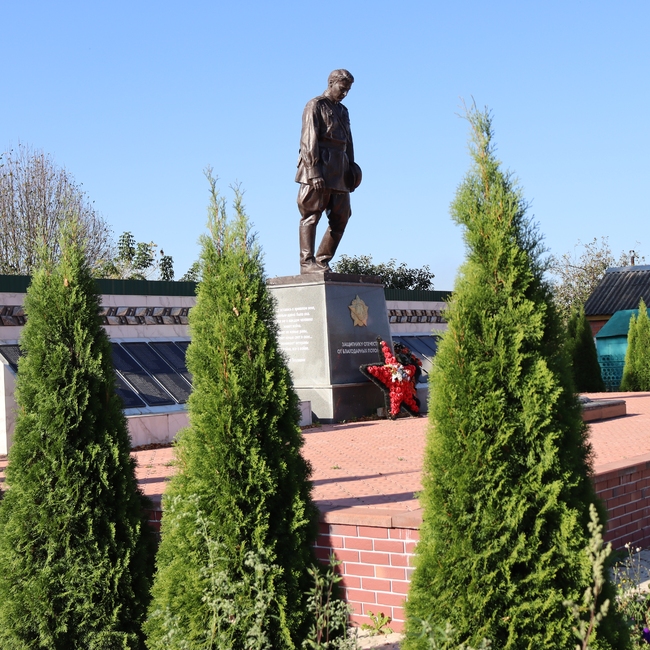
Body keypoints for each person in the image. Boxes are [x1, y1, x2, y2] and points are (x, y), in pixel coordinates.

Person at [295, 69, 361, 274]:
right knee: (311, 215)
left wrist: (352, 168)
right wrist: (313, 171)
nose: (345, 93)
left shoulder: (343, 111)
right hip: (319, 166)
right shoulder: (315, 105)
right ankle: (307, 263)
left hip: (340, 169)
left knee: (342, 216)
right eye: (342, 88)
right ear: (331, 84)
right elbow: (308, 139)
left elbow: (348, 142)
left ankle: (322, 260)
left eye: (348, 90)